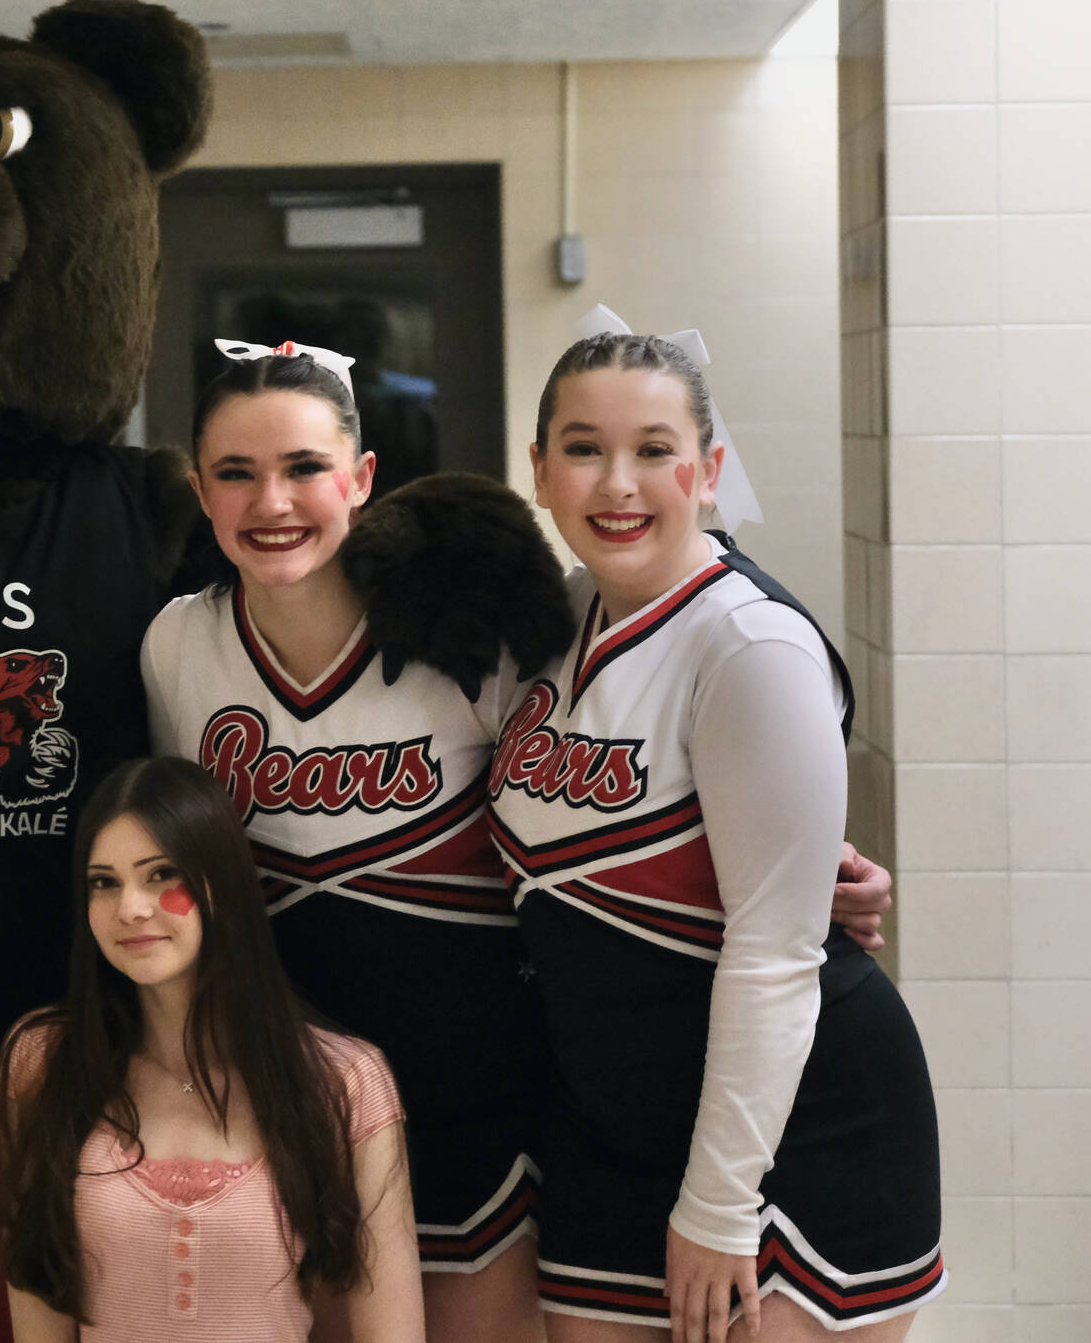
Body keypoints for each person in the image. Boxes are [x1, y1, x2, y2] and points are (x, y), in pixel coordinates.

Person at [139, 339, 900, 1343]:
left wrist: (799, 878)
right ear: (198, 489)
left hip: (490, 1109)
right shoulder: (175, 646)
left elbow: (670, 826)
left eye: (304, 468)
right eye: (236, 473)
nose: (271, 501)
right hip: (300, 1103)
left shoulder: (470, 635)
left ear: (361, 480)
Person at [489, 330, 942, 1342]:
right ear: (537, 470)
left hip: (790, 1132)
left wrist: (717, 1204)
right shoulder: (553, 622)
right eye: (580, 447)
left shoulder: (748, 643)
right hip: (609, 1125)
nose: (616, 483)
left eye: (653, 448)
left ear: (708, 470)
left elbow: (774, 952)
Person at [0, 756, 425, 1341]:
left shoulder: (345, 1079)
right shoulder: (43, 1060)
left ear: (221, 881)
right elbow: (37, 1312)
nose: (131, 908)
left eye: (162, 874)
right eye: (104, 882)